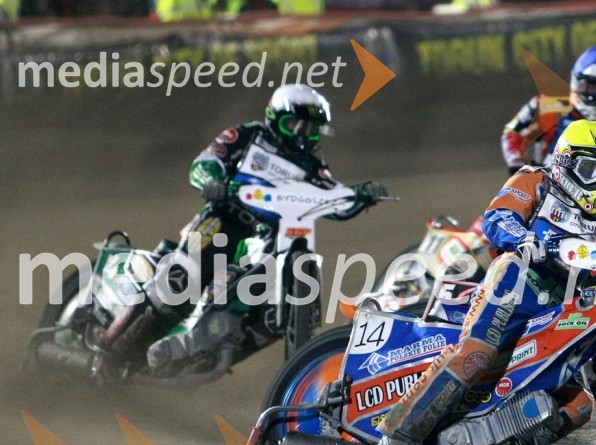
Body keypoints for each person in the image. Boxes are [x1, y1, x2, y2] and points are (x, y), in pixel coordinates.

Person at [370, 119, 596, 445]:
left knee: (579, 404)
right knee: (476, 355)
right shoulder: (535, 181)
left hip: (563, 308)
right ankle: (396, 438)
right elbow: (497, 218)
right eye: (592, 169)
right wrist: (523, 238)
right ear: (566, 161)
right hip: (517, 279)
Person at [104, 84, 387, 373]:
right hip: (225, 220)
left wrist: (361, 194)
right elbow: (206, 162)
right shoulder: (249, 135)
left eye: (311, 129)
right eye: (294, 124)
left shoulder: (313, 166)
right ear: (274, 118)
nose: (302, 134)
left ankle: (213, 349)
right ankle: (109, 350)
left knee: (269, 318)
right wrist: (213, 181)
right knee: (180, 282)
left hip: (270, 238)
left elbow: (334, 199)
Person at [501, 45, 596, 175]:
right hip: (546, 182)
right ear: (577, 83)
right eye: (593, 86)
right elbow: (512, 131)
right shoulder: (547, 108)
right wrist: (516, 161)